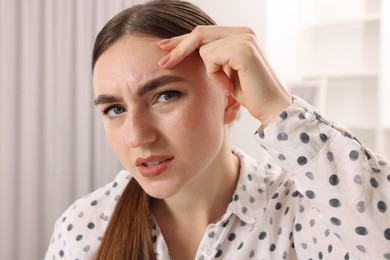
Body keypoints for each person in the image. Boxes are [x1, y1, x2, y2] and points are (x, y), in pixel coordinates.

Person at [44, 0, 390, 259]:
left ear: (230, 99)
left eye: (165, 95)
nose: (136, 136)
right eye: (115, 109)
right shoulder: (82, 228)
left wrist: (276, 108)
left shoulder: (302, 212)